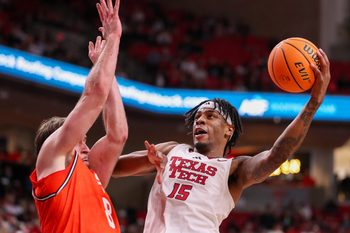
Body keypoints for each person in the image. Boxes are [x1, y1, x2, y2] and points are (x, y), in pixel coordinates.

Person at [113, 49, 331, 233]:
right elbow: (113, 167)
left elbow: (276, 156)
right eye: (197, 117)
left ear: (229, 130)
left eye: (210, 116)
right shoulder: (171, 150)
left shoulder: (233, 169)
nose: (200, 120)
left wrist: (313, 104)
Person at [29, 0, 127, 232]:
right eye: (79, 142)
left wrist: (106, 67)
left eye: (85, 142)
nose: (86, 148)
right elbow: (94, 95)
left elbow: (117, 136)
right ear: (55, 143)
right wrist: (113, 37)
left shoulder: (90, 176)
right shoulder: (52, 161)